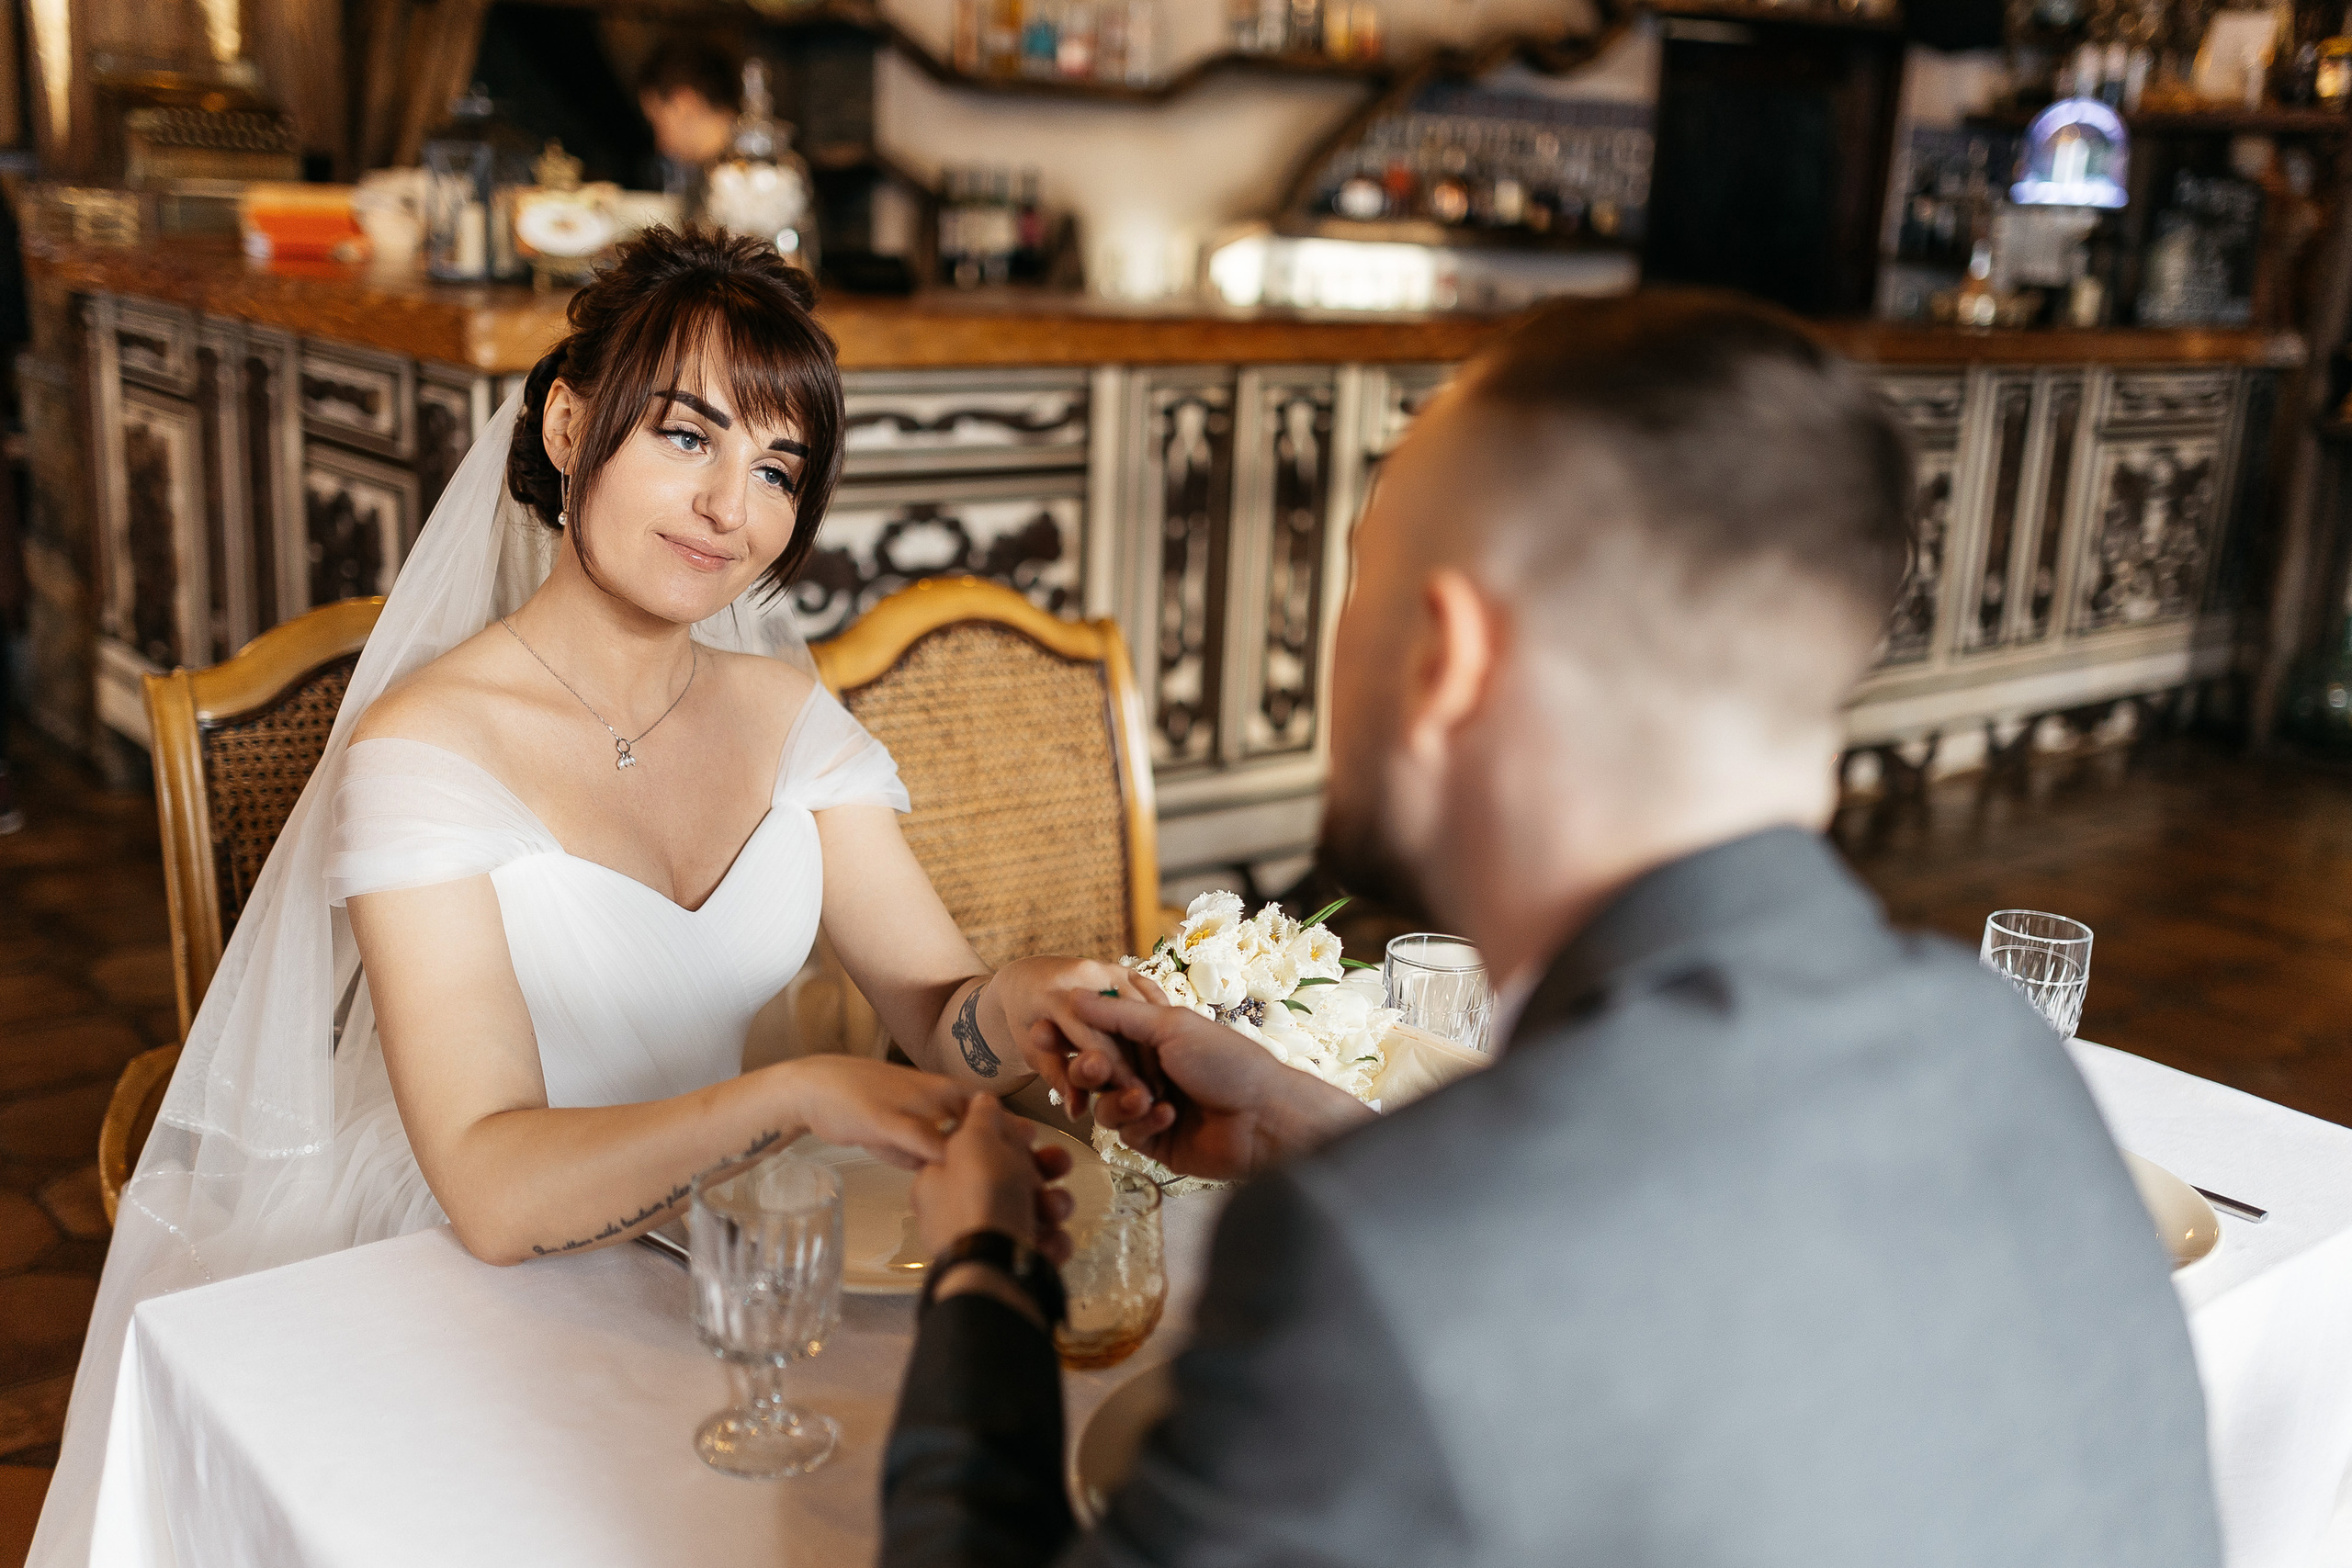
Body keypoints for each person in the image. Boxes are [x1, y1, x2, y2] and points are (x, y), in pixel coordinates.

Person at [881, 292, 2224, 1567]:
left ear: (1444, 659)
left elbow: (1502, 1273)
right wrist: (1302, 1120)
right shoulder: (1996, 1043)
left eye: (1358, 582)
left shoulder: (1385, 1254)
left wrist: (986, 1269)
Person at [31, 227, 1156, 1565]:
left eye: (776, 466)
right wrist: (796, 1097)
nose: (729, 506)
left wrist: (1018, 1002)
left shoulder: (787, 713)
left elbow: (938, 1012)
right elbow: (493, 1192)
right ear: (570, 422)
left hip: (721, 1246)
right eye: (688, 435)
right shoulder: (428, 747)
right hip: (465, 1251)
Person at [637, 37, 741, 200]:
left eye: (656, 122)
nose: (660, 145)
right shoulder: (711, 174)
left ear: (685, 106)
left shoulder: (736, 184)